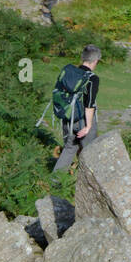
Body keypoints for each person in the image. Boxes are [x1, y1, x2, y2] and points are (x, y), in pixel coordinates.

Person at [52, 44, 101, 172]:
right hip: (83, 121)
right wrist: (88, 126)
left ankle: (55, 182)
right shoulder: (92, 79)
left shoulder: (70, 72)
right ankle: (92, 185)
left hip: (68, 117)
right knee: (91, 153)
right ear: (95, 61)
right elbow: (89, 104)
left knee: (69, 149)